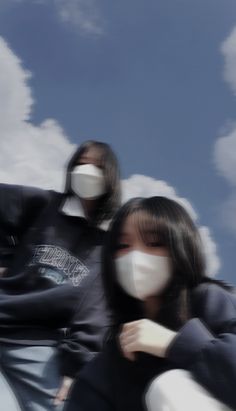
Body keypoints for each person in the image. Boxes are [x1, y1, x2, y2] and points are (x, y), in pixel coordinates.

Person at [66, 196, 236, 411]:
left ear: (181, 246)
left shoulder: (211, 300)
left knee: (169, 389)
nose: (135, 255)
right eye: (123, 246)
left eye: (154, 243)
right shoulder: (110, 361)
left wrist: (174, 344)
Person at [0, 140, 121, 411]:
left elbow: (95, 313)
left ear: (110, 177)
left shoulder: (107, 244)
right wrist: (5, 257)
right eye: (81, 163)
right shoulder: (44, 205)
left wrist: (76, 365)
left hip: (37, 342)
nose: (86, 170)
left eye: (97, 166)